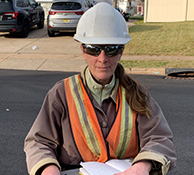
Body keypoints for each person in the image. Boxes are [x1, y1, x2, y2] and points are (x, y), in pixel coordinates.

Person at [24, 2, 176, 175]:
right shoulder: (61, 94)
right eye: (94, 49)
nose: (102, 59)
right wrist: (48, 169)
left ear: (121, 51)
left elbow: (160, 138)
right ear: (83, 50)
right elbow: (39, 141)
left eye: (111, 50)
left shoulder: (137, 94)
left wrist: (144, 165)